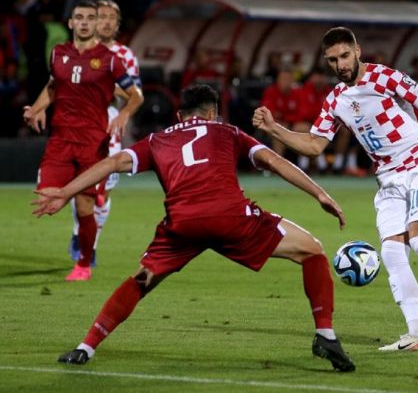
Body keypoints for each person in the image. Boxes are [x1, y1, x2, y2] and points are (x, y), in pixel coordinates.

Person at [32, 85, 356, 372]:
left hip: (182, 225)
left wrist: (65, 192)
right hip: (231, 218)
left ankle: (85, 347)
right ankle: (325, 335)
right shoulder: (228, 131)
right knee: (311, 250)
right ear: (213, 113)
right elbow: (274, 161)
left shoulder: (157, 139)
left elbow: (112, 163)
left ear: (179, 114)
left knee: (141, 280)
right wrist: (320, 194)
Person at [253, 26, 418, 351]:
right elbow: (315, 145)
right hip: (387, 180)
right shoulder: (335, 100)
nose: (340, 65)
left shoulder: (385, 77)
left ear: (357, 51)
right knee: (391, 252)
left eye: (345, 56)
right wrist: (275, 128)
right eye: (332, 60)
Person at [23, 1, 144, 281]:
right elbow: (53, 85)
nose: (87, 22)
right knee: (47, 197)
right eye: (80, 17)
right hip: (61, 139)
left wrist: (124, 113)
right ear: (71, 23)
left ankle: (84, 262)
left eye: (92, 17)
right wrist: (37, 109)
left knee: (85, 205)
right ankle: (87, 195)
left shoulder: (114, 58)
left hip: (94, 139)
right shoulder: (58, 53)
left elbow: (134, 94)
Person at [67, 0, 143, 267]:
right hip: (77, 124)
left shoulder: (125, 56)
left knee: (103, 190)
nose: (107, 22)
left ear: (118, 24)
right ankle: (80, 233)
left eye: (112, 17)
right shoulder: (75, 49)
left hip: (109, 123)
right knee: (79, 184)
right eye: (102, 16)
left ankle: (92, 244)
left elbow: (135, 95)